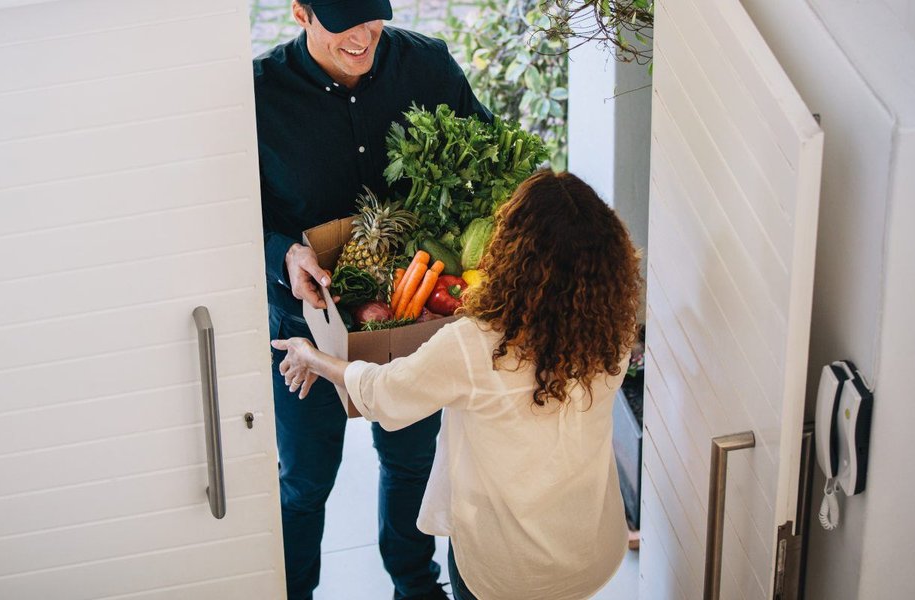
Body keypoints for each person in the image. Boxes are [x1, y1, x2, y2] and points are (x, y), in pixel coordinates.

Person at [273, 170, 643, 600]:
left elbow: (383, 392)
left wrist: (313, 355)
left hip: (508, 572)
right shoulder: (612, 329)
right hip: (591, 551)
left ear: (512, 254)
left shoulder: (476, 344)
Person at [254, 0, 491, 598]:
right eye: (343, 21)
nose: (363, 36)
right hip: (303, 328)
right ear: (301, 13)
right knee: (304, 483)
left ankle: (414, 585)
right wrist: (284, 252)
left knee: (411, 463)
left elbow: (490, 166)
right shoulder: (257, 95)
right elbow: (229, 212)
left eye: (373, 15)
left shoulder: (428, 66)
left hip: (414, 320)